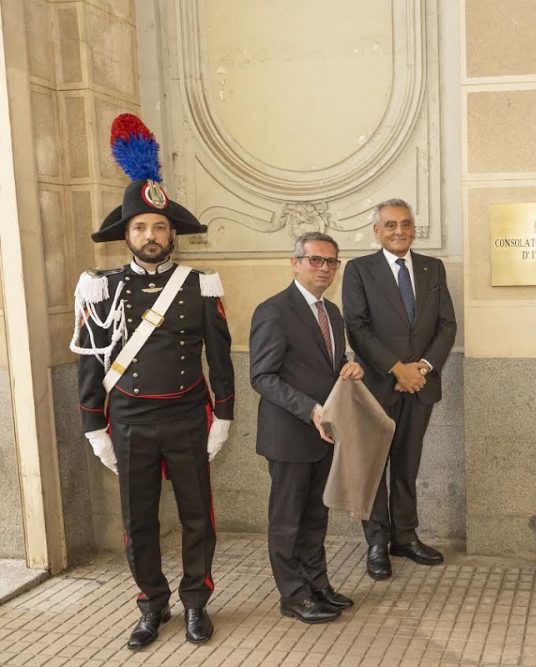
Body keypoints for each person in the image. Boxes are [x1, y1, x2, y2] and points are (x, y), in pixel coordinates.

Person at [70, 114, 234, 649]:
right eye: (140, 227)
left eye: (159, 227)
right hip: (131, 421)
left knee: (196, 519)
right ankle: (151, 605)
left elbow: (219, 355)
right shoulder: (100, 289)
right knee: (138, 522)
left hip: (187, 416)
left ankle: (195, 602)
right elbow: (91, 363)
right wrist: (96, 426)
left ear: (172, 233)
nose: (150, 236)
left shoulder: (199, 285)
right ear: (126, 235)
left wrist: (224, 416)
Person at [249, 232, 364, 623]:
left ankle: (317, 584)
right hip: (289, 434)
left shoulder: (332, 312)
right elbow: (262, 376)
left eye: (332, 262)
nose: (324, 268)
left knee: (316, 516)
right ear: (295, 262)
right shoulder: (273, 310)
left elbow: (328, 363)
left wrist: (349, 366)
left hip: (324, 434)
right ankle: (293, 595)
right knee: (287, 521)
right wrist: (311, 409)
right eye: (315, 260)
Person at [342, 198, 457, 580]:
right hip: (378, 386)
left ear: (414, 228)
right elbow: (357, 327)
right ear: (377, 230)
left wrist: (421, 367)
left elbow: (446, 325)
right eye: (390, 225)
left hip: (420, 385)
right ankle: (377, 542)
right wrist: (396, 369)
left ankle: (405, 537)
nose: (399, 231)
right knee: (374, 467)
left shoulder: (432, 268)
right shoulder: (359, 270)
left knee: (407, 466)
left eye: (406, 224)